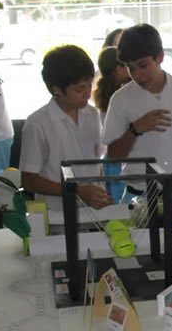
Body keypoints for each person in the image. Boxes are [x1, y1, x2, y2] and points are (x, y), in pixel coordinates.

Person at [103, 24, 172, 251]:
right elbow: (112, 156)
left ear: (159, 57)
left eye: (143, 65)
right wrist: (135, 129)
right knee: (141, 263)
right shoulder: (121, 100)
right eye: (130, 68)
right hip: (138, 200)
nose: (138, 75)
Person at [20, 45, 111, 211]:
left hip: (95, 211)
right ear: (57, 90)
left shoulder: (92, 114)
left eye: (89, 85)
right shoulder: (38, 123)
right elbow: (29, 180)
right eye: (79, 89)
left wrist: (100, 192)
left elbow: (96, 161)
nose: (87, 93)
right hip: (58, 214)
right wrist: (76, 190)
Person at [92, 46, 131, 200]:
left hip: (109, 159)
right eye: (127, 65)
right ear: (119, 69)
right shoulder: (121, 96)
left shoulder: (102, 93)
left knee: (114, 204)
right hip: (121, 158)